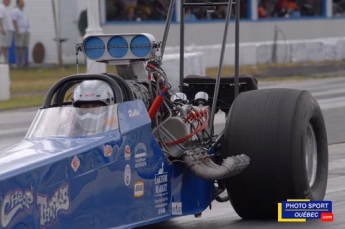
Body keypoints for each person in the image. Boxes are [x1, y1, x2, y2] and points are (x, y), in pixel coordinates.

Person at [12, 0, 29, 67]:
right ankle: (17, 62)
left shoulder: (24, 11)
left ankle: (23, 61)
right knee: (18, 46)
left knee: (24, 47)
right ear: (18, 3)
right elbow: (14, 21)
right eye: (22, 2)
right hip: (19, 31)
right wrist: (17, 30)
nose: (23, 3)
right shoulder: (15, 11)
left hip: (25, 30)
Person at [0, 0, 13, 64]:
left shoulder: (8, 8)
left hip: (9, 29)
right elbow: (0, 18)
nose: (10, 2)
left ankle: (6, 62)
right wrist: (2, 28)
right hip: (5, 29)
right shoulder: (1, 7)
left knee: (7, 47)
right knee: (3, 46)